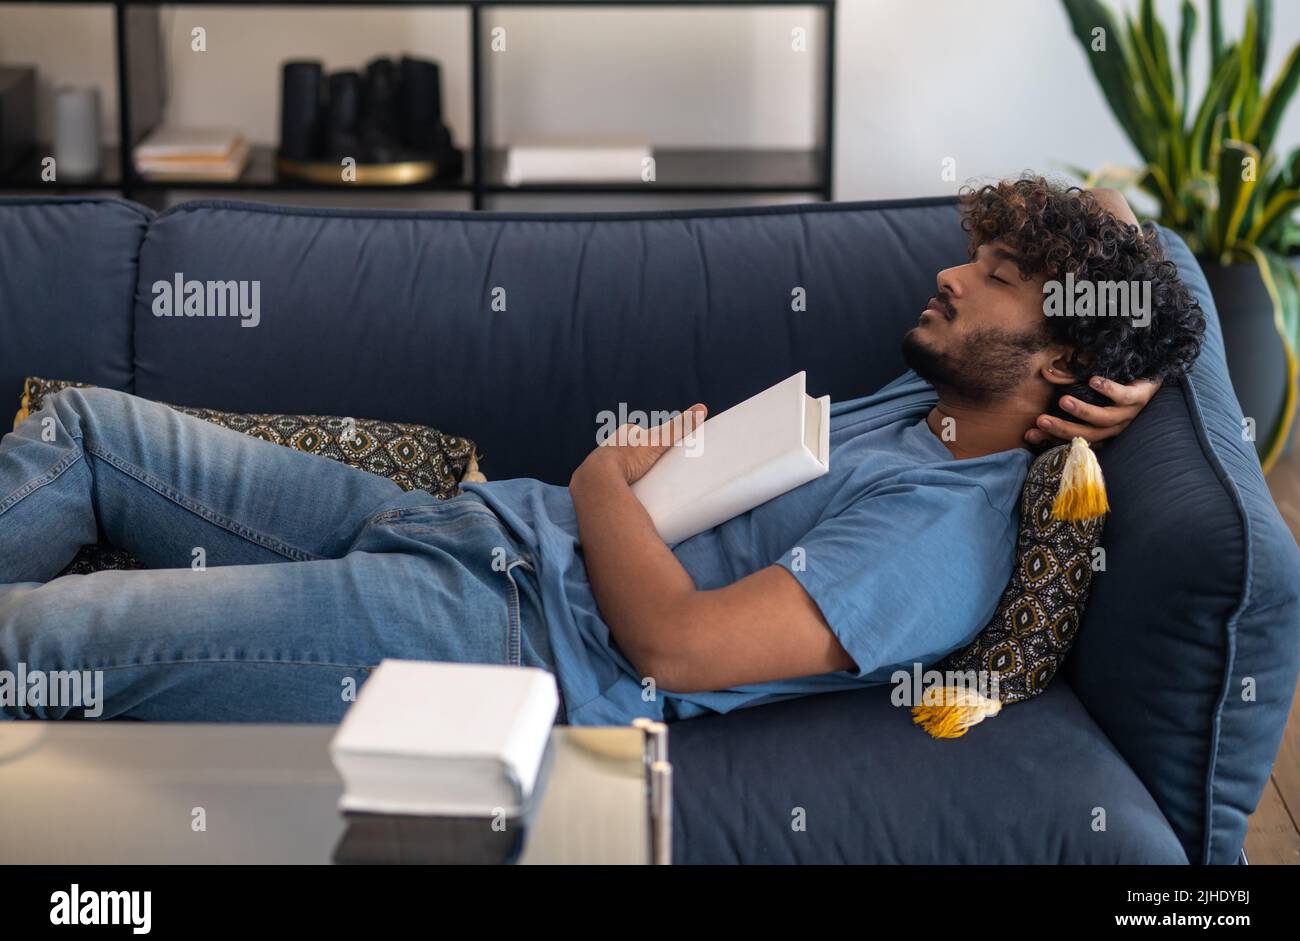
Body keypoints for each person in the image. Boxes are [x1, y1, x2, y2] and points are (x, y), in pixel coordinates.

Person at [0, 176, 1203, 724]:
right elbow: (1114, 211)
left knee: (42, 646)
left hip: (506, 634)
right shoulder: (936, 394)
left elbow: (678, 651)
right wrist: (1143, 362)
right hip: (475, 532)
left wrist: (598, 475)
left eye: (994, 280)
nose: (951, 274)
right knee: (86, 428)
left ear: (1052, 361)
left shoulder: (942, 536)